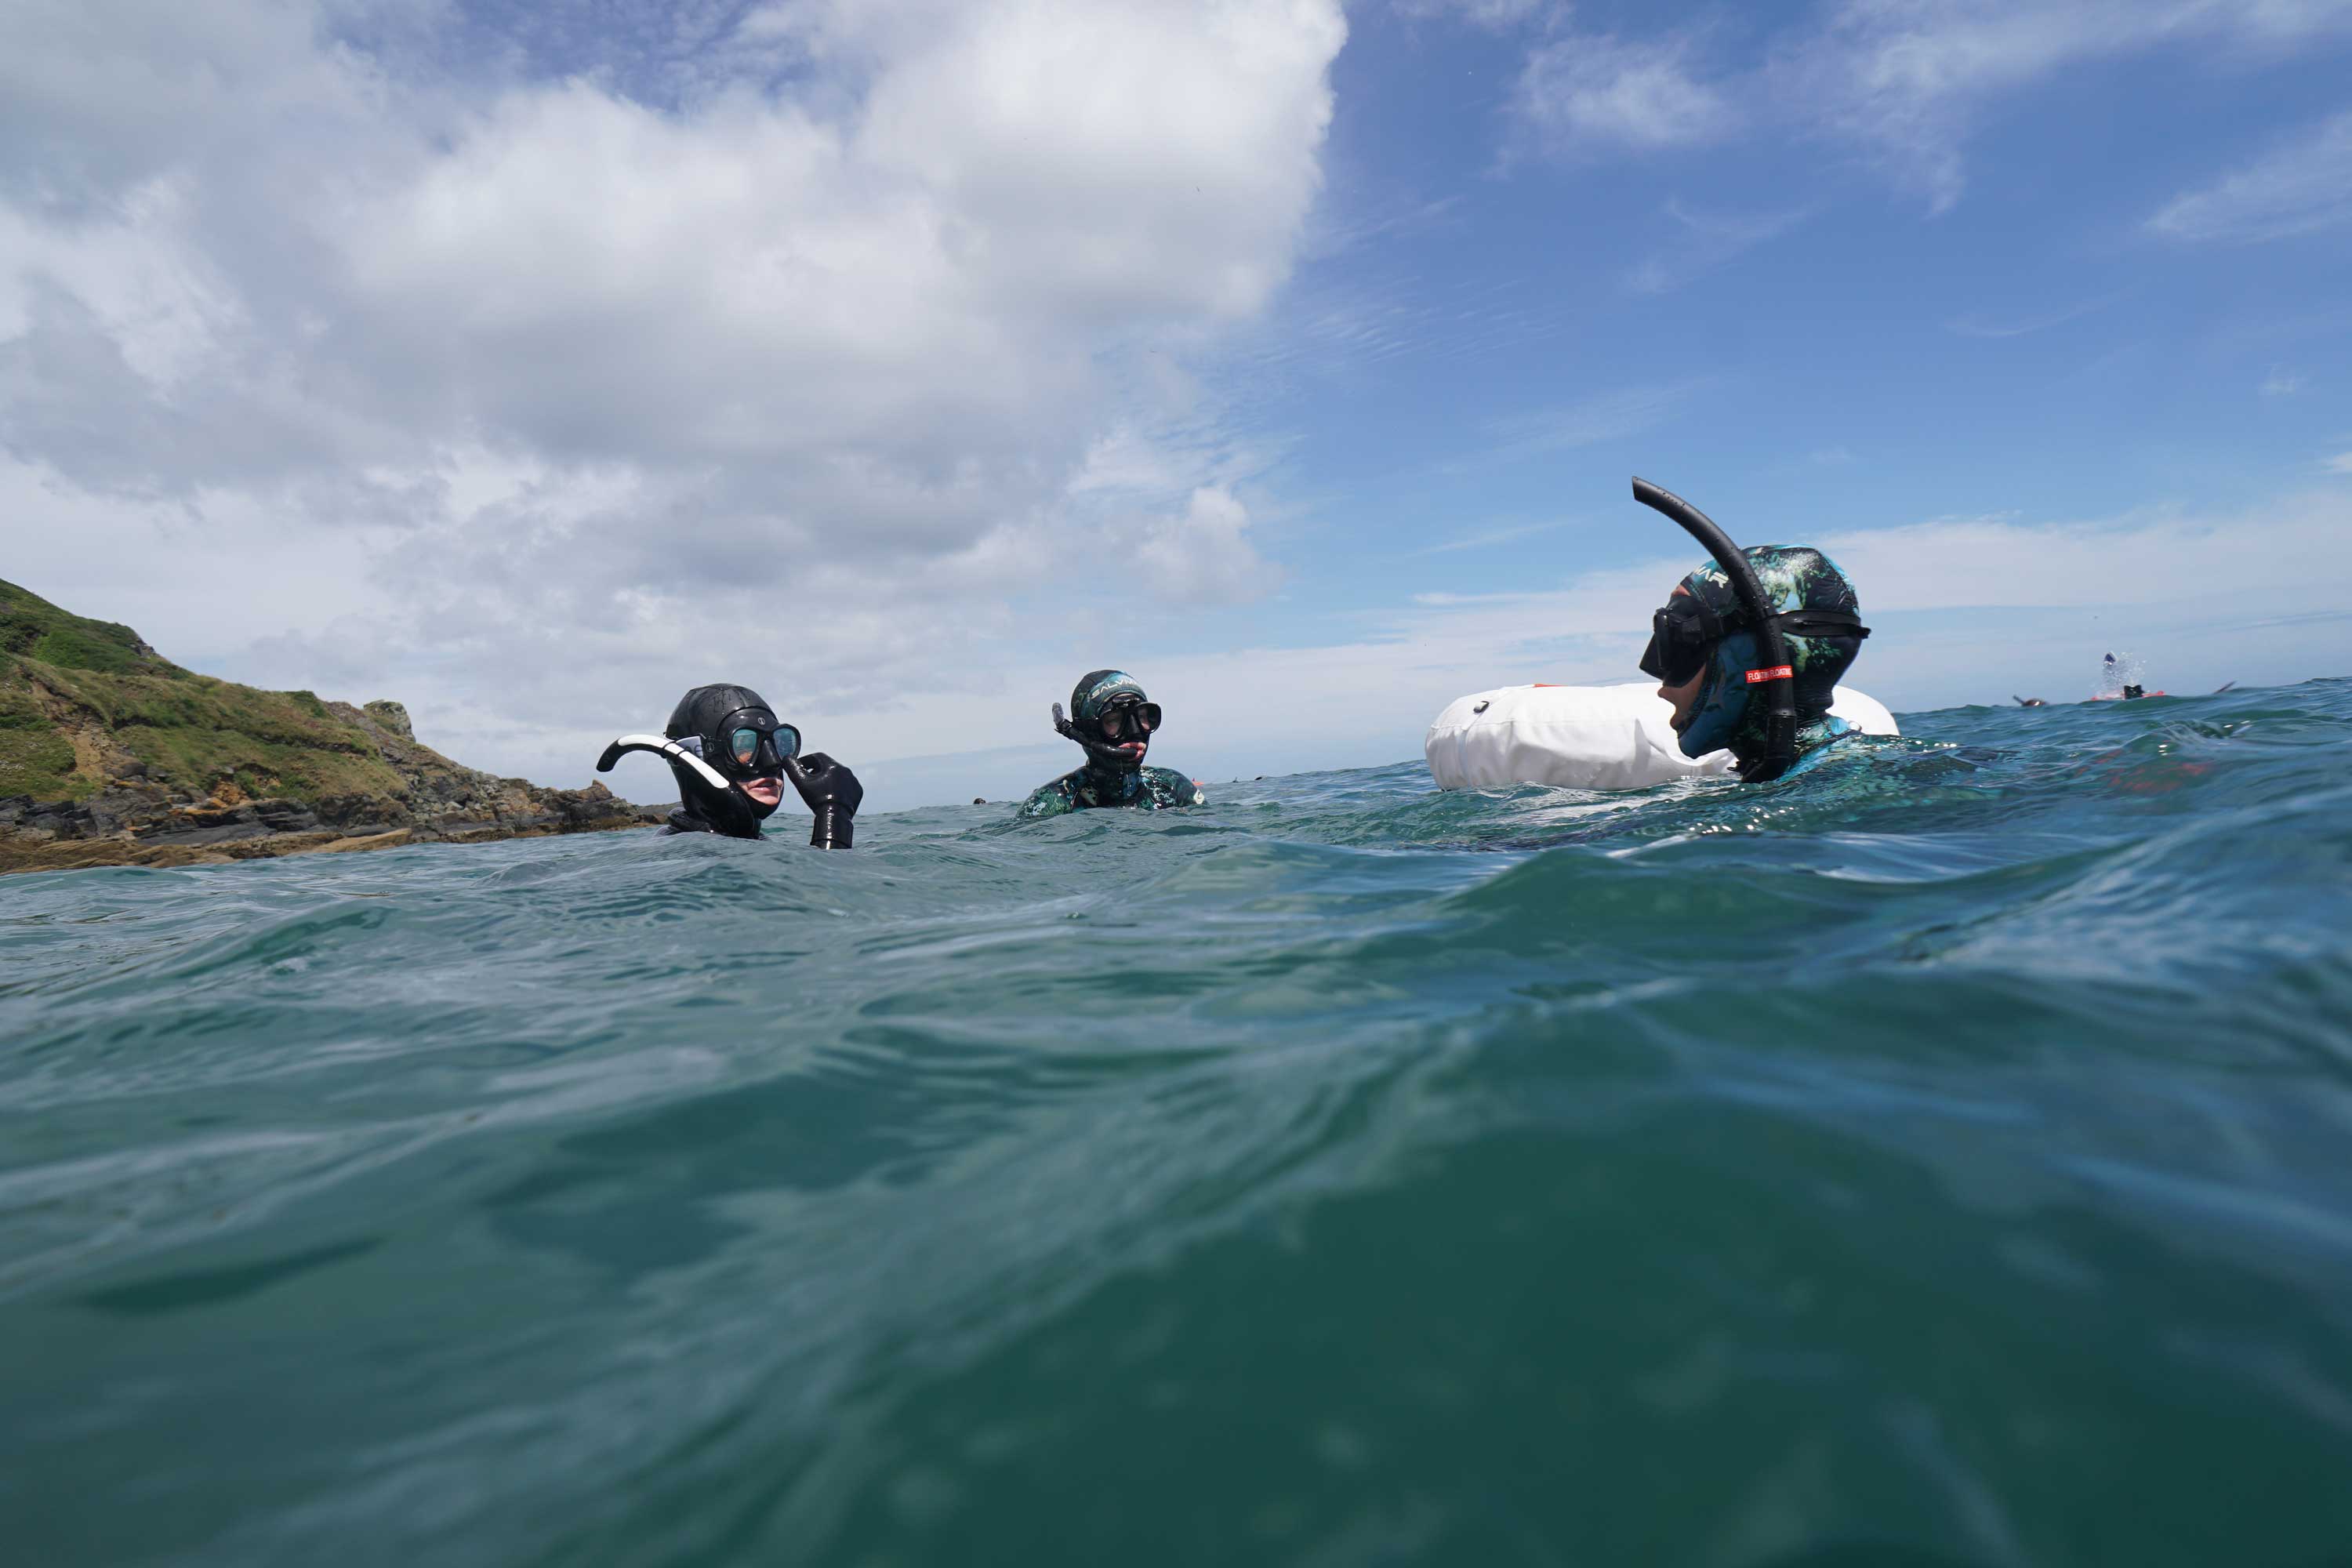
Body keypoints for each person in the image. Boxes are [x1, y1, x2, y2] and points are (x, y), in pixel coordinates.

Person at [1632, 479, 1871, 782]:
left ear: (1756, 653)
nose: (1662, 688)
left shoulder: (1841, 787)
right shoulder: (1842, 778)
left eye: (1677, 643)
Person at [597, 683, 862, 847]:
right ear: (693, 756)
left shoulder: (745, 843)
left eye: (781, 743)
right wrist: (834, 816)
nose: (772, 761)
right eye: (745, 745)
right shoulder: (694, 854)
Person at [1020, 670, 1205, 817]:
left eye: (1142, 717)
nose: (1135, 731)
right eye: (1114, 720)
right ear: (1086, 733)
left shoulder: (1173, 788)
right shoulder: (1052, 805)